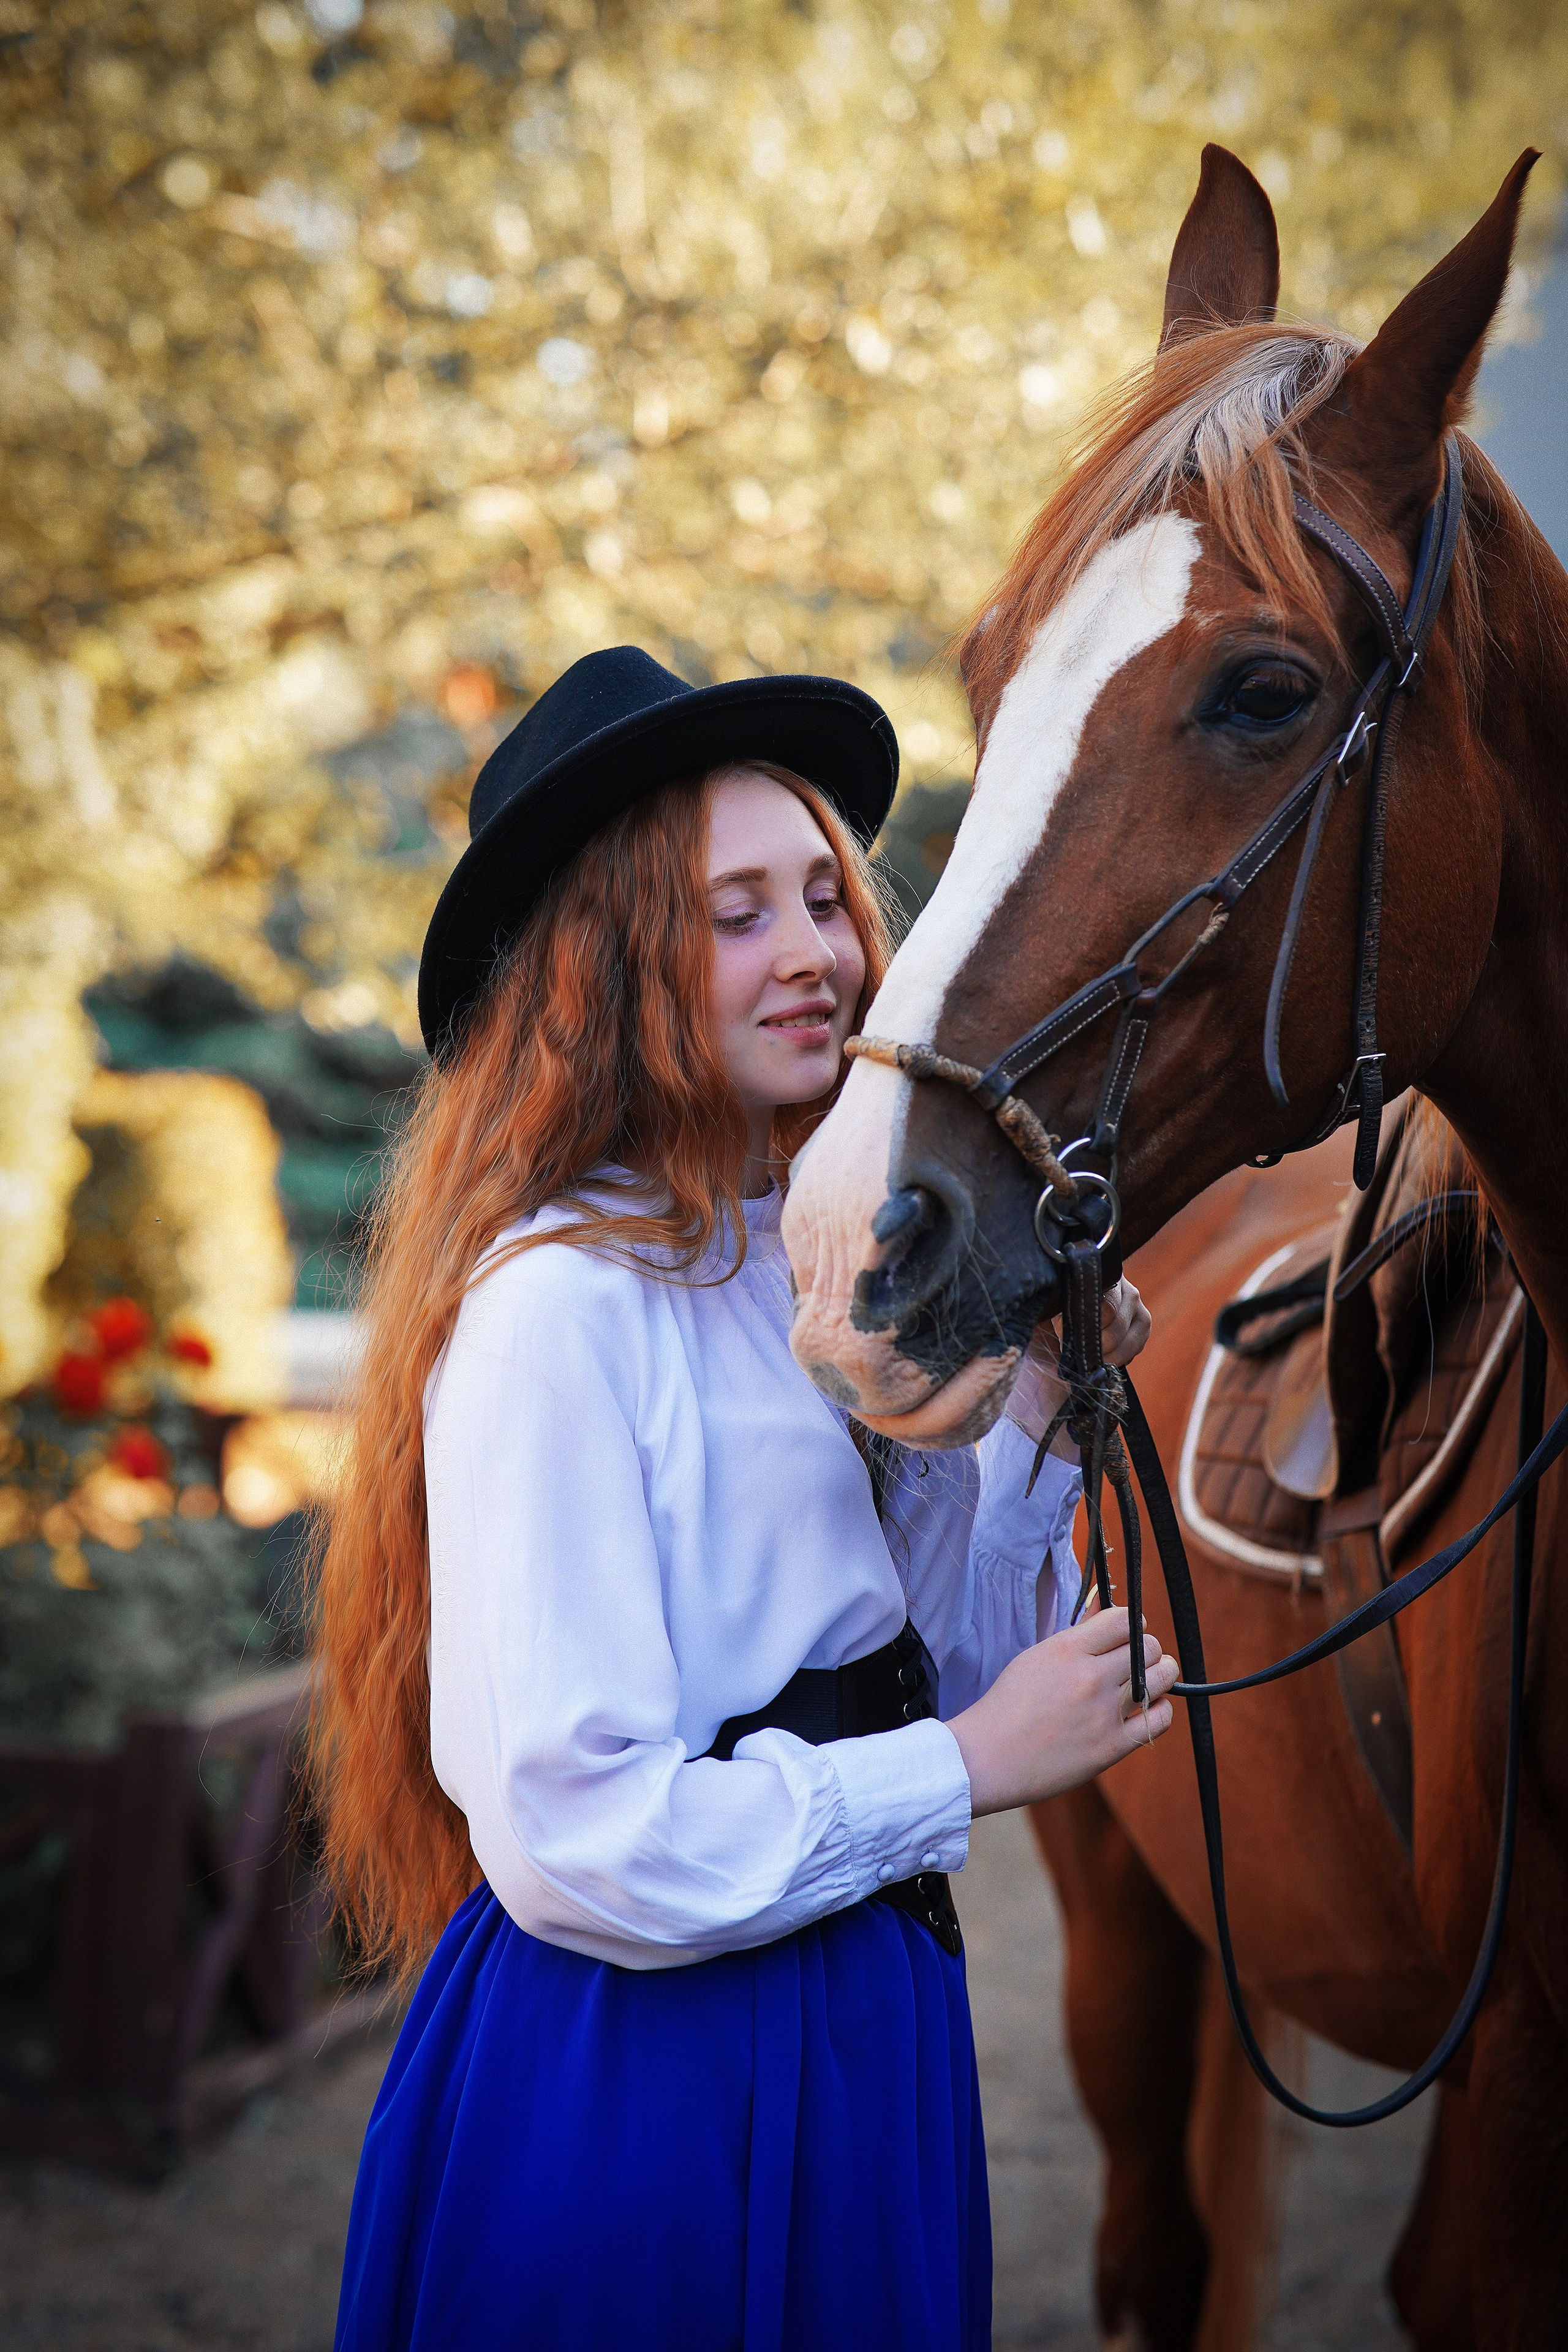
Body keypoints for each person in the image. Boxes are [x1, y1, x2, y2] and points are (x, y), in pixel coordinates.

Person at [315, 647, 1178, 2352]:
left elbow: (916, 1664)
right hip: (659, 2068)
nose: (816, 954)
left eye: (824, 897)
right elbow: (577, 1835)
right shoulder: (560, 1304)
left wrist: (1044, 1413)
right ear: (603, 969)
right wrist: (966, 1769)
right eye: (736, 914)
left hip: (868, 2017)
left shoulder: (795, 1259)